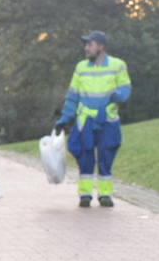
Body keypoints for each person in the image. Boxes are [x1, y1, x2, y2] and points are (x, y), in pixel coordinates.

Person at [54, 30, 131, 208]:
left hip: (107, 120)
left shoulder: (117, 65)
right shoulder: (81, 67)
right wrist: (64, 119)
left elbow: (126, 90)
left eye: (90, 44)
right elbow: (73, 96)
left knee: (106, 156)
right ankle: (85, 195)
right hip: (86, 121)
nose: (86, 48)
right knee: (84, 155)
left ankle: (105, 195)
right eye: (86, 45)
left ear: (101, 46)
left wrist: (117, 96)